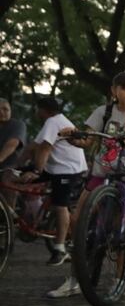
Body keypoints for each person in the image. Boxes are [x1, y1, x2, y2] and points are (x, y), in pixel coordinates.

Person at [50, 71, 125, 298]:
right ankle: (74, 279)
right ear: (114, 91)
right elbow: (88, 141)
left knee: (121, 229)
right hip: (101, 174)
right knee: (78, 220)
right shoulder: (104, 111)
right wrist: (71, 135)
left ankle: (118, 280)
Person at [18, 97, 87, 273]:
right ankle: (27, 219)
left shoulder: (53, 122)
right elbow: (33, 147)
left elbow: (44, 149)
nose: (35, 113)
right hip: (56, 168)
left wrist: (36, 171)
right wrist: (15, 168)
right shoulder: (55, 121)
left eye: (37, 109)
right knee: (18, 180)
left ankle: (60, 248)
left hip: (68, 170)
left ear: (43, 110)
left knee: (60, 205)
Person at [0, 97, 27, 206]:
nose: (2, 112)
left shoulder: (17, 125)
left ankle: (8, 219)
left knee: (8, 183)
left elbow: (12, 144)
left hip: (12, 166)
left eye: (5, 109)